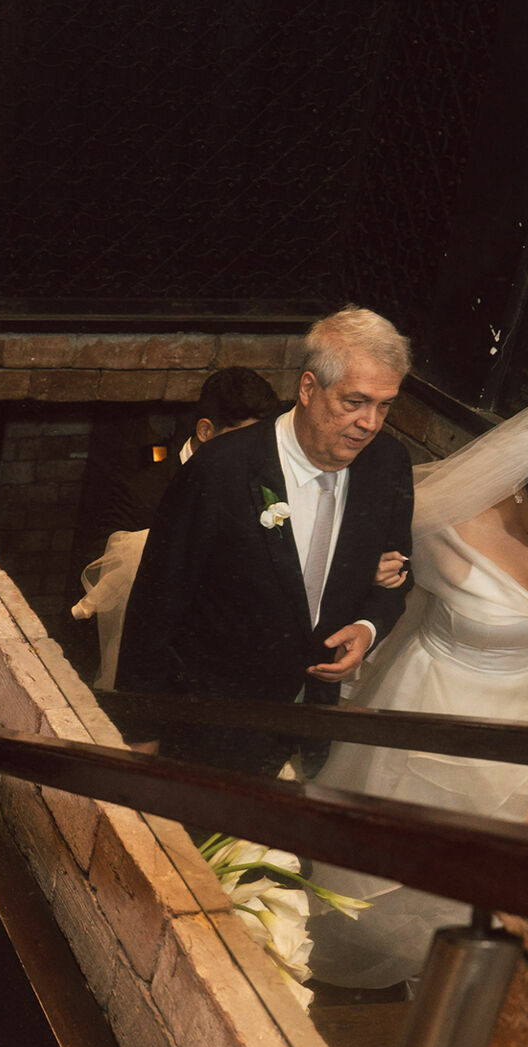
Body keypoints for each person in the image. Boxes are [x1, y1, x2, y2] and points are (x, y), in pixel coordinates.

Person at [307, 393, 528, 987]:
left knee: (499, 858)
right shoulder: (448, 525)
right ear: (521, 486)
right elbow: (361, 573)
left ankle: (457, 976)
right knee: (409, 850)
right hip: (433, 697)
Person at [115, 306, 416, 776]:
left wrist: (368, 626)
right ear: (309, 388)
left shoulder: (388, 465)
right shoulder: (220, 470)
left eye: (384, 405)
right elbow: (156, 604)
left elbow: (397, 571)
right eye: (354, 402)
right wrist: (140, 733)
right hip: (210, 727)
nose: (370, 423)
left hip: (310, 723)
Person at [74, 367, 283, 688]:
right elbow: (97, 573)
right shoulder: (141, 490)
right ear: (205, 431)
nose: (254, 451)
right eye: (244, 438)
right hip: (155, 660)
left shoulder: (264, 487)